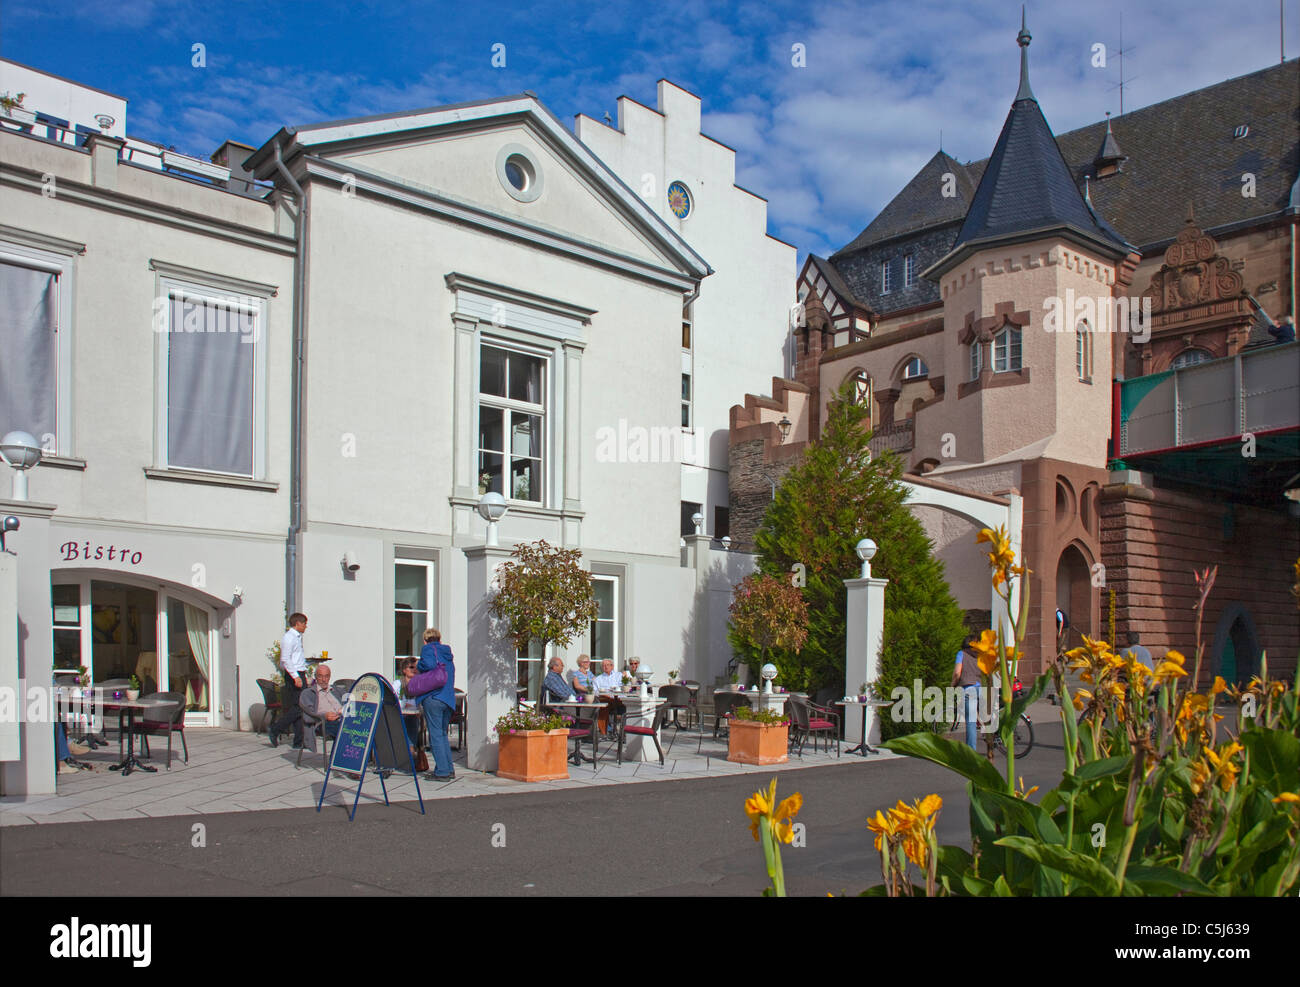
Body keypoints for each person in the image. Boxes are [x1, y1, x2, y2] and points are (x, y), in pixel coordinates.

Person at [416, 628, 457, 782]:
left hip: (433, 697)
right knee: (442, 734)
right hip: (448, 698)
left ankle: (442, 772)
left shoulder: (428, 650)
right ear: (440, 639)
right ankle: (448, 769)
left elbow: (428, 665)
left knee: (435, 736)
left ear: (425, 640)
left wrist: (419, 665)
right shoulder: (447, 654)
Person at [268, 613, 309, 749]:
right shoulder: (289, 638)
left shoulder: (296, 637)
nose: (305, 626)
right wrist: (295, 676)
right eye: (304, 623)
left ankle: (298, 741)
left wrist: (303, 673)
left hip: (299, 672)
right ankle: (276, 729)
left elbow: (297, 658)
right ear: (297, 623)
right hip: (294, 675)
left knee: (299, 707)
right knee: (298, 707)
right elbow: (285, 659)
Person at [299, 663, 344, 748]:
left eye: (326, 676)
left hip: (342, 718)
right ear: (316, 677)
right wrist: (324, 716)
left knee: (368, 727)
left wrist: (345, 709)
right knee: (344, 731)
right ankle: (336, 760)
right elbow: (309, 713)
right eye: (320, 676)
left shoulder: (337, 690)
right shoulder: (308, 693)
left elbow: (349, 702)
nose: (324, 679)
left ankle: (367, 759)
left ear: (329, 677)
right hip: (322, 722)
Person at [952, 634, 982, 749]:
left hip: (969, 689)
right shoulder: (980, 655)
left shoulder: (961, 654)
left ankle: (971, 751)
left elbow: (957, 673)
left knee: (971, 721)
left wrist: (953, 684)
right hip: (981, 688)